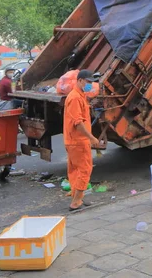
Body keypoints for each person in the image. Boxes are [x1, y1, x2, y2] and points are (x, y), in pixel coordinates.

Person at [63, 69, 100, 211]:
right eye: (88, 82)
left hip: (73, 140)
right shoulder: (75, 98)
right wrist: (91, 138)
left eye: (91, 82)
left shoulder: (79, 96)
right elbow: (78, 123)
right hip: (78, 141)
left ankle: (76, 196)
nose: (90, 84)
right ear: (79, 80)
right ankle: (76, 202)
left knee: (75, 171)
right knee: (85, 169)